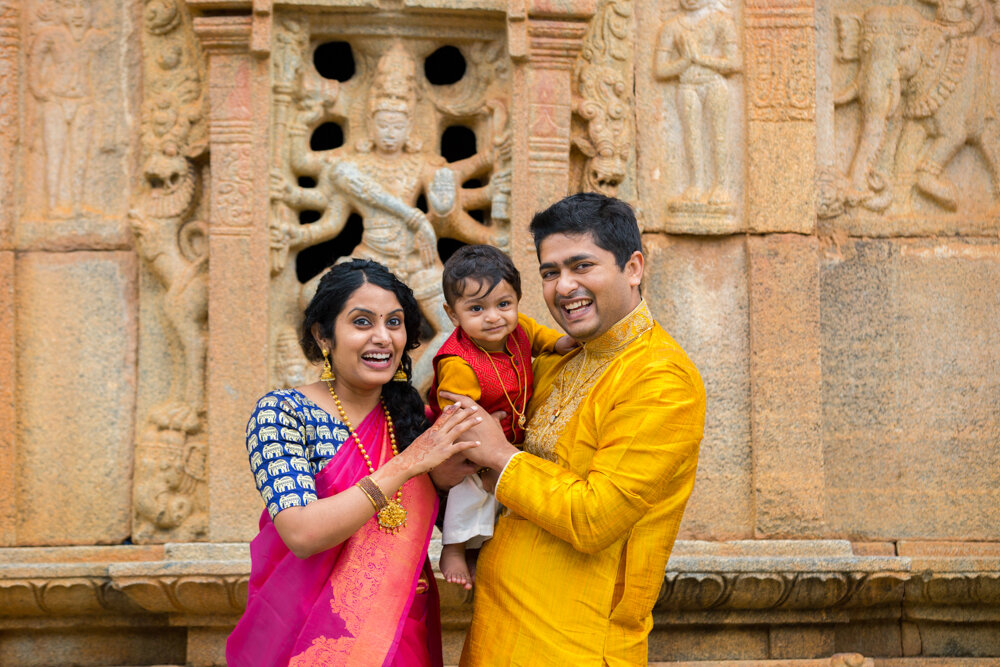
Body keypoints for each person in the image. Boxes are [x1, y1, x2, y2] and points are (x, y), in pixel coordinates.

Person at [445, 193, 707, 665]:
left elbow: (594, 519)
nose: (564, 286)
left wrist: (498, 456)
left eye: (582, 266)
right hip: (499, 632)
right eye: (550, 273)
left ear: (633, 267)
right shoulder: (557, 361)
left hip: (575, 643)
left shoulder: (661, 379)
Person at [226, 259, 482, 666]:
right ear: (323, 335)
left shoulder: (413, 421)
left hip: (398, 631)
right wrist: (408, 465)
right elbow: (302, 534)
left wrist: (444, 480)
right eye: (362, 322)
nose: (383, 337)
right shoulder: (283, 412)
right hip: (301, 635)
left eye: (394, 322)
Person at [426, 245, 576, 588]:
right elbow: (459, 412)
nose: (494, 317)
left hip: (509, 432)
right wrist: (482, 445)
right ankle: (454, 547)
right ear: (453, 315)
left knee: (501, 496)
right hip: (468, 434)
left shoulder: (517, 328)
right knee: (471, 489)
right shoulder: (459, 362)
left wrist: (559, 344)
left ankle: (482, 547)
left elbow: (537, 335)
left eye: (503, 305)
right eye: (477, 308)